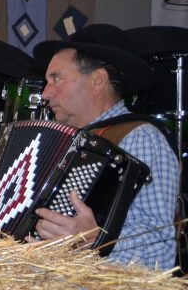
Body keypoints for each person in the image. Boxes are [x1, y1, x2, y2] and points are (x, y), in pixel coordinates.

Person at [32, 24, 178, 269]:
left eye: (56, 78)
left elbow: (161, 250)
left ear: (98, 81)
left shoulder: (140, 137)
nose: (45, 93)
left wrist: (94, 240)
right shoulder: (61, 141)